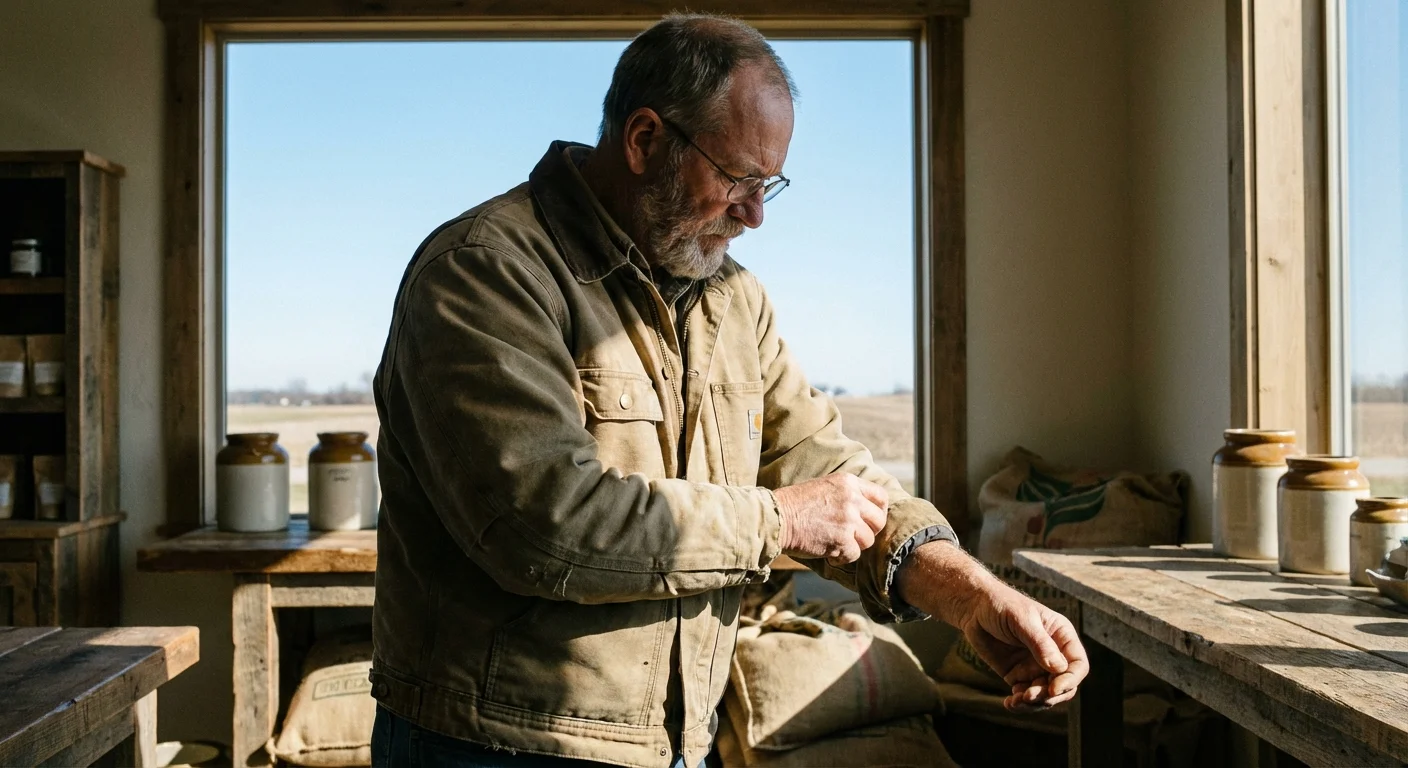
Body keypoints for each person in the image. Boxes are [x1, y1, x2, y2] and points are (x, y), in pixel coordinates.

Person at [368, 13, 1088, 768]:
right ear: (645, 141)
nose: (756, 214)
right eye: (738, 179)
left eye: (769, 182)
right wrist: (777, 522)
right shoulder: (485, 272)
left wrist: (972, 596)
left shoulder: (732, 299)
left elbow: (835, 477)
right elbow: (544, 523)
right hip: (497, 746)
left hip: (679, 741)